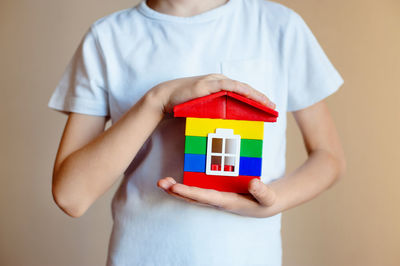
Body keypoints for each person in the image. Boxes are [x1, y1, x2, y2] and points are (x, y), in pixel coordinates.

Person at [48, 0, 346, 265]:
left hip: (250, 256)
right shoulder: (106, 38)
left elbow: (328, 156)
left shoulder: (279, 26)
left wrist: (272, 202)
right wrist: (157, 101)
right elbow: (71, 196)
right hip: (140, 254)